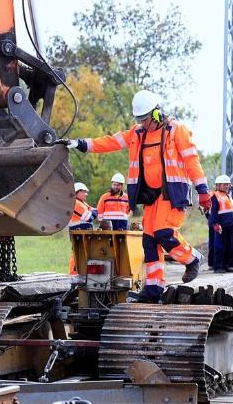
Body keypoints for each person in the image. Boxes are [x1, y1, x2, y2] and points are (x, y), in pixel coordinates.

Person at [56, 89, 209, 302]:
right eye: (140, 120)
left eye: (145, 119)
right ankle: (154, 289)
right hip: (151, 196)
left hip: (172, 193)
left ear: (156, 113)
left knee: (165, 233)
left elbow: (192, 161)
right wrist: (80, 144)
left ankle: (192, 258)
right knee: (149, 240)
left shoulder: (176, 130)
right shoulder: (137, 134)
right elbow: (109, 142)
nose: (143, 124)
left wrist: (203, 191)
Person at [68, 182, 97, 274]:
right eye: (84, 192)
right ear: (78, 192)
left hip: (82, 233)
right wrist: (93, 212)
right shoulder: (76, 203)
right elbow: (90, 217)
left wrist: (93, 211)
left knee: (83, 254)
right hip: (78, 233)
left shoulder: (82, 203)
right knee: (77, 254)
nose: (86, 194)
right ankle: (73, 273)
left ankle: (81, 273)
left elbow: (94, 211)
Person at [209, 175, 233, 273]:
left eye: (228, 184)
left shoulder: (228, 196)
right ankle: (218, 266)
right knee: (219, 246)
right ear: (218, 185)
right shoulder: (215, 196)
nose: (226, 186)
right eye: (224, 184)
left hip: (229, 225)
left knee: (229, 246)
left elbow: (232, 211)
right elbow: (213, 211)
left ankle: (226, 265)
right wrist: (215, 224)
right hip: (220, 225)